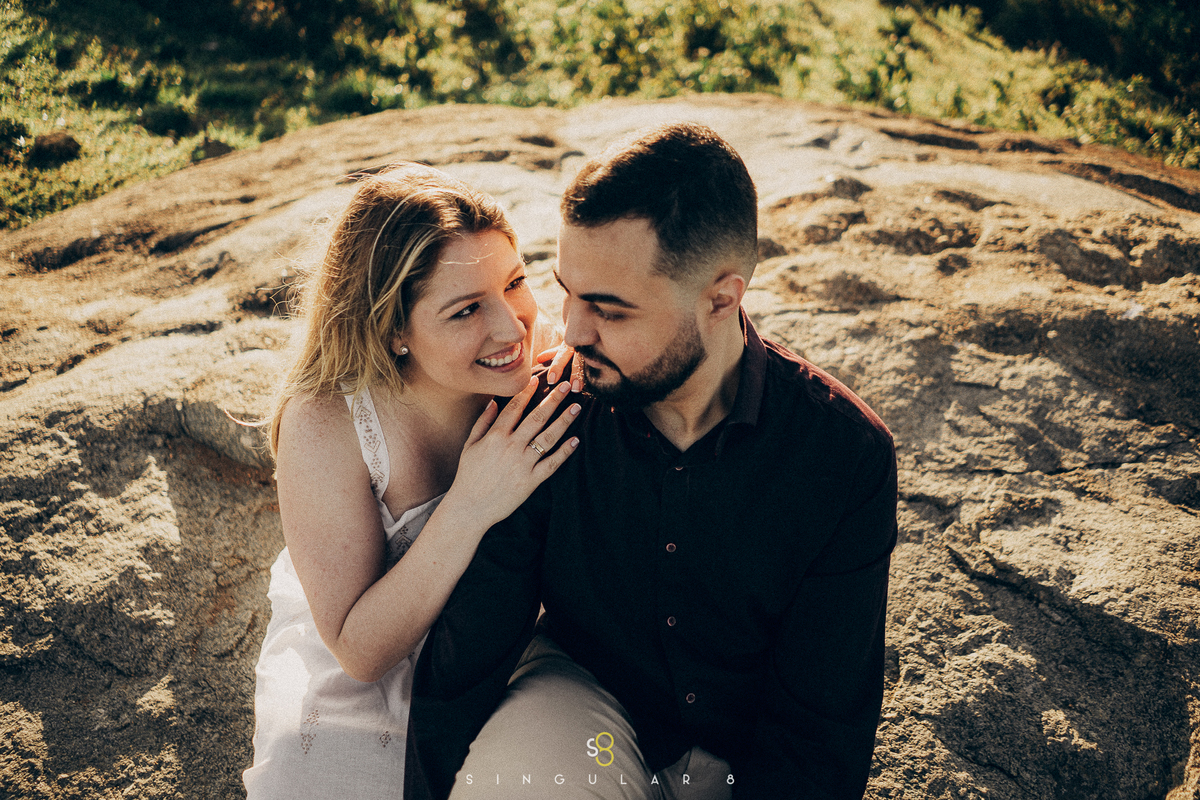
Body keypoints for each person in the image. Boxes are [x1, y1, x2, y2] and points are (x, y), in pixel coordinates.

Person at [405, 123, 898, 799]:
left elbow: (819, 729)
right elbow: (469, 661)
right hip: (583, 704)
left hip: (744, 748)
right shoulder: (545, 414)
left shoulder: (843, 458)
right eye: (569, 293)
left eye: (609, 309)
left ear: (721, 299)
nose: (570, 331)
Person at [242, 163, 582, 798]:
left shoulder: (545, 371)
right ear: (394, 329)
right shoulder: (328, 423)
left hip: (501, 657)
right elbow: (359, 652)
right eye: (464, 311)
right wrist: (472, 502)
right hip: (367, 676)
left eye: (514, 283)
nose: (512, 327)